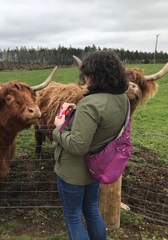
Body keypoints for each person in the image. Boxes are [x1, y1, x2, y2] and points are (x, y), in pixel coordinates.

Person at [52, 50, 129, 240]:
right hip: (97, 168)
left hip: (73, 172)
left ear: (97, 76)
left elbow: (78, 146)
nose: (85, 79)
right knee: (92, 211)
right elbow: (102, 126)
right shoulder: (123, 99)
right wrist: (77, 113)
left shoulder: (90, 104)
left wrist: (59, 128)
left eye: (88, 74)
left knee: (73, 217)